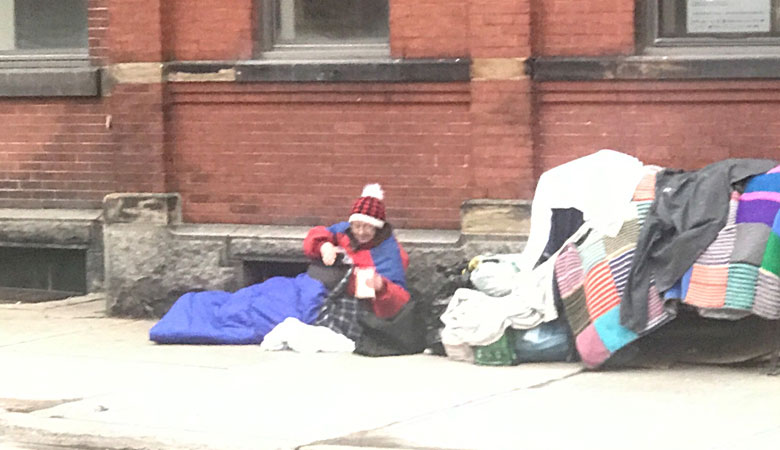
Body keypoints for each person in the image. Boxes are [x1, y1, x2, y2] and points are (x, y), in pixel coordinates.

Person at [149, 183, 410, 347]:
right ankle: (193, 306)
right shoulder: (344, 232)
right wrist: (324, 246)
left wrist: (381, 287)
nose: (360, 231)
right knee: (255, 295)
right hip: (306, 286)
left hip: (323, 304)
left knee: (254, 314)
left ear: (378, 228)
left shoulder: (387, 254)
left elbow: (396, 301)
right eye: (357, 225)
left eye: (367, 227)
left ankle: (187, 318)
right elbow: (313, 237)